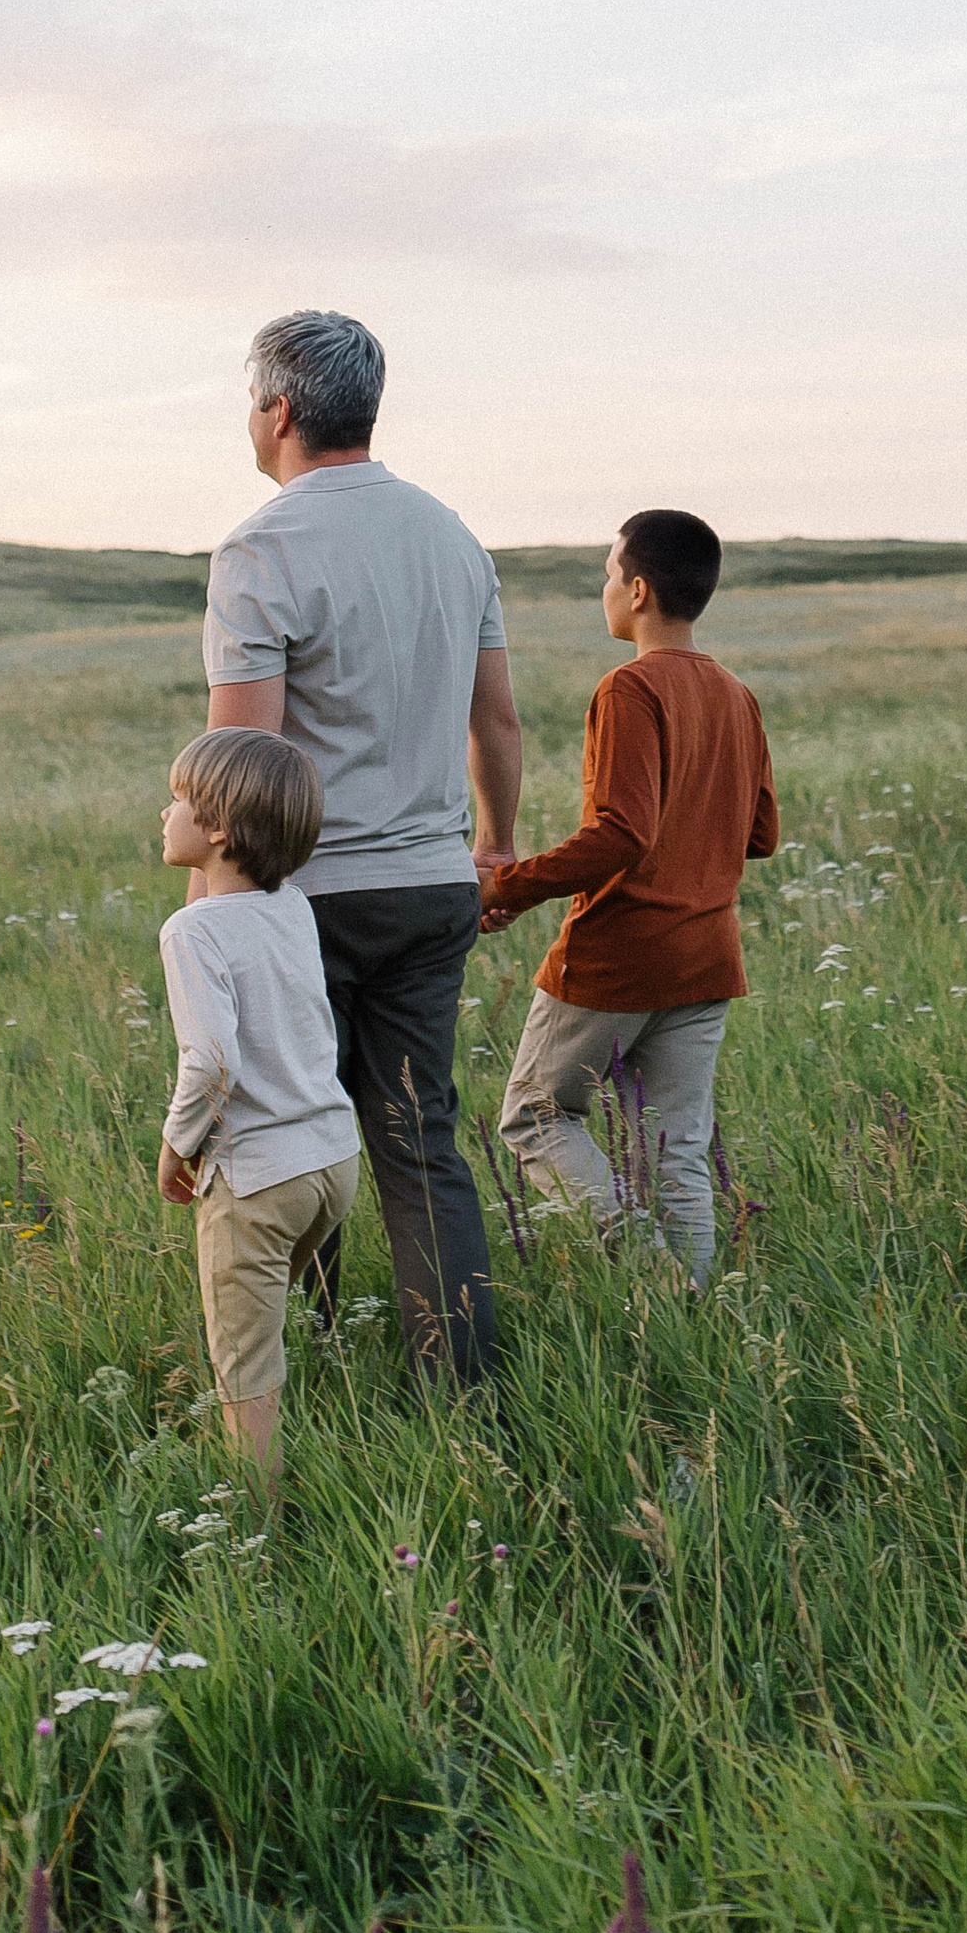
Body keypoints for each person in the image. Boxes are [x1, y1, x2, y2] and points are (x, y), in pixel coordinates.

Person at [203, 310, 517, 1386]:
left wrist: (218, 908)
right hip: (434, 883)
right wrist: (497, 846)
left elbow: (243, 761)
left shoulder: (261, 547)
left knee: (296, 1129)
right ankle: (460, 1382)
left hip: (309, 894)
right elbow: (497, 724)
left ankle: (316, 1358)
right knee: (419, 1137)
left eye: (252, 403)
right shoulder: (452, 535)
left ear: (279, 411)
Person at [484, 511, 778, 1284]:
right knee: (676, 1149)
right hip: (707, 957)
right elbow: (761, 833)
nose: (605, 588)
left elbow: (620, 835)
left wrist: (507, 886)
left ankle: (654, 1274)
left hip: (622, 955)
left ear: (639, 590)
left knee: (533, 1117)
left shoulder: (628, 688)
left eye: (609, 574)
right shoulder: (735, 694)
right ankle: (695, 1312)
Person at [155, 727, 361, 1485]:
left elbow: (211, 1059)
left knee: (246, 1377)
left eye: (179, 799)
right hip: (332, 1163)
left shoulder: (193, 929)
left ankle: (254, 1539)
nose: (165, 812)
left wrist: (178, 1146)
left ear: (218, 829)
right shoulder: (292, 906)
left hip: (258, 1178)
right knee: (265, 1329)